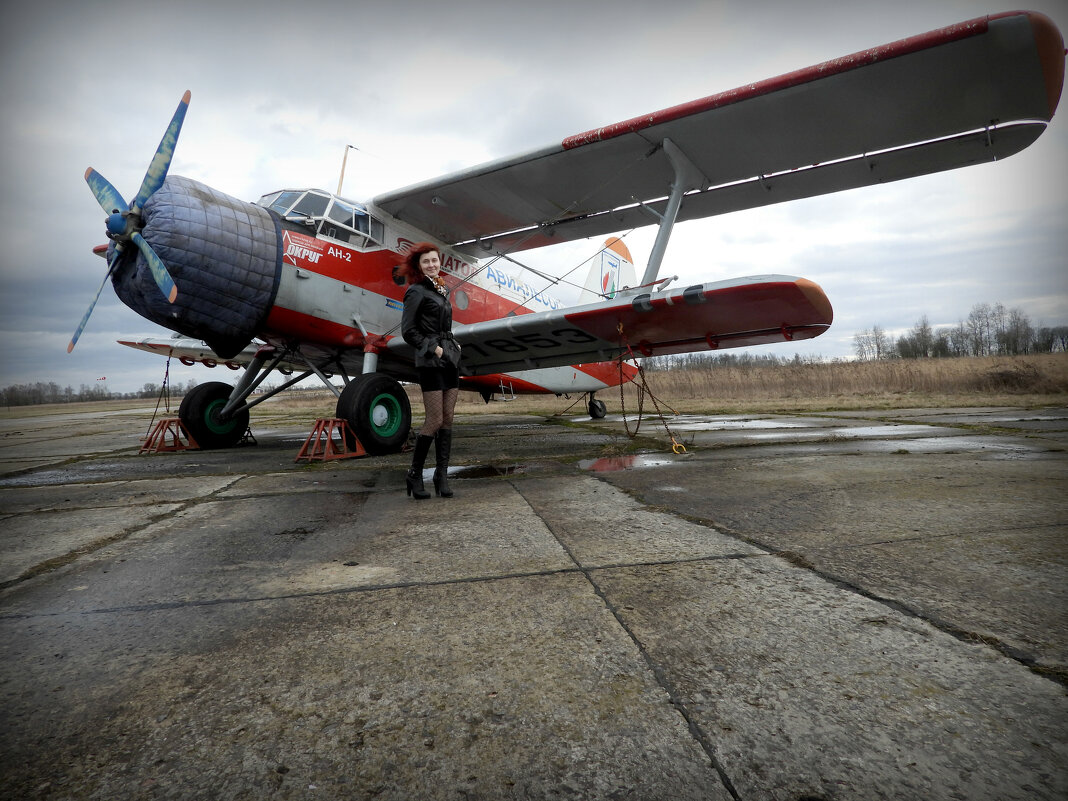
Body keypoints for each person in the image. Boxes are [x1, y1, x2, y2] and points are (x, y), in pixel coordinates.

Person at [400, 243, 461, 499]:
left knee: (448, 419)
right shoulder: (416, 291)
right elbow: (408, 331)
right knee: (434, 420)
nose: (432, 265)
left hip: (450, 359)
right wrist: (434, 349)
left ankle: (441, 475)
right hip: (431, 360)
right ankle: (414, 475)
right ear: (419, 265)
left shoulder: (441, 289)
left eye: (434, 260)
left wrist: (453, 346)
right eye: (426, 262)